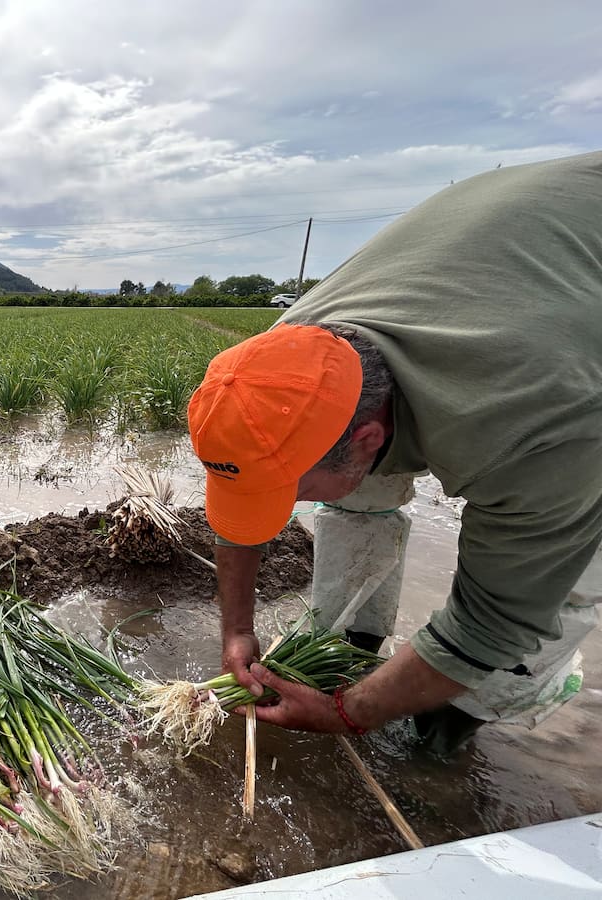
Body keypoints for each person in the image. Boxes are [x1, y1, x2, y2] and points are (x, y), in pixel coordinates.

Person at [186, 150, 602, 755]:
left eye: (289, 491)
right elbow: (250, 486)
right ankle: (351, 639)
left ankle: (457, 718)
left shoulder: (539, 421)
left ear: (369, 440)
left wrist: (350, 713)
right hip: (524, 247)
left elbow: (496, 619)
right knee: (349, 491)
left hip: (568, 356)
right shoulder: (284, 359)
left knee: (559, 583)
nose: (281, 506)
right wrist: (238, 629)